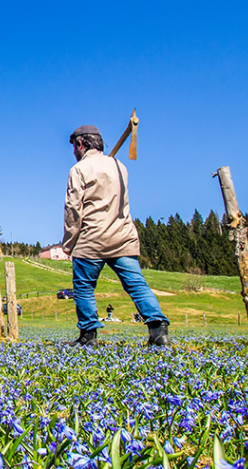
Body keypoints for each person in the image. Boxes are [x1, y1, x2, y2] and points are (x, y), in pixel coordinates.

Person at [62, 125, 171, 347]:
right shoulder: (119, 166)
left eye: (74, 146)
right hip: (122, 236)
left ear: (81, 144)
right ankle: (158, 330)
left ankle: (88, 336)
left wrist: (68, 243)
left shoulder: (79, 169)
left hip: (92, 238)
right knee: (136, 284)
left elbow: (73, 209)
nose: (74, 151)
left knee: (83, 287)